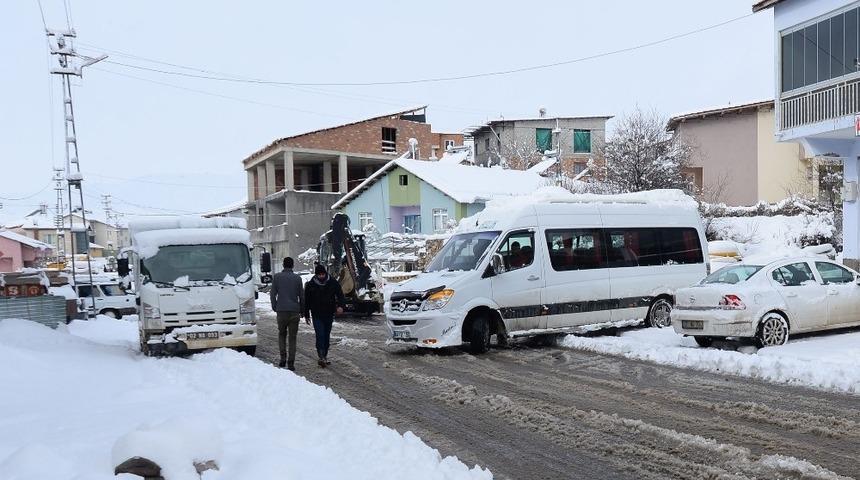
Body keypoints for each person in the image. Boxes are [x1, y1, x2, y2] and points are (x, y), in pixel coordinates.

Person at [303, 264, 346, 368]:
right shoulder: (311, 285)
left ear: (325, 273)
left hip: (329, 313)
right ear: (316, 275)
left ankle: (325, 355)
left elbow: (340, 295)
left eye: (323, 274)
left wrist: (341, 306)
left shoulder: (332, 282)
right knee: (320, 334)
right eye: (319, 275)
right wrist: (307, 315)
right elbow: (307, 301)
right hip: (316, 314)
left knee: (326, 336)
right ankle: (321, 356)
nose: (321, 277)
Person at [269, 257, 304, 370]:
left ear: (283, 265)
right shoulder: (297, 278)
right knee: (292, 337)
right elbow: (302, 296)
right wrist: (302, 309)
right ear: (292, 265)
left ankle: (283, 359)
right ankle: (291, 362)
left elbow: (272, 294)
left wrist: (275, 306)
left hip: (281, 311)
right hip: (294, 311)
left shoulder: (277, 277)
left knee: (282, 334)